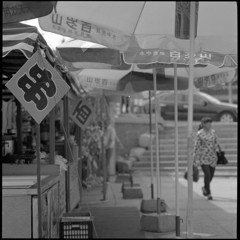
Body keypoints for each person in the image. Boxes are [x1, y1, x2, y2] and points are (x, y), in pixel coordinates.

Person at [193, 117, 220, 200]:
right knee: (207, 174)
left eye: (210, 123)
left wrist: (217, 150)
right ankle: (208, 193)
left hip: (212, 157)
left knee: (211, 175)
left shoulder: (213, 132)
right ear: (203, 124)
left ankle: (204, 187)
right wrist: (195, 157)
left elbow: (216, 142)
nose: (209, 124)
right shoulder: (199, 133)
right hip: (203, 157)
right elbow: (196, 146)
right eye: (207, 123)